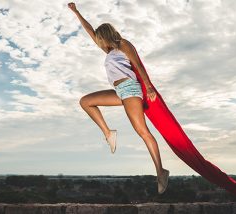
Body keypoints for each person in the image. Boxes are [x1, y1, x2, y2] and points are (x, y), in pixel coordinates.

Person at [68, 2, 169, 194]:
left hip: (130, 89)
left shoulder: (123, 44)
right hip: (119, 92)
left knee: (142, 132)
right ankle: (108, 133)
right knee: (85, 101)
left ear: (106, 35)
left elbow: (137, 65)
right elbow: (90, 31)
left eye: (100, 39)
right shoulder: (109, 51)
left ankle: (160, 171)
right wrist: (76, 12)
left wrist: (148, 87)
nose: (98, 42)